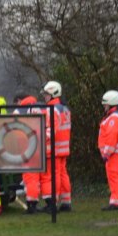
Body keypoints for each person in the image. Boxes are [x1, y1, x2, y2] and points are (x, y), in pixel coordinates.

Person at [40, 80, 73, 212]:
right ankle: (66, 202)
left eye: (47, 95)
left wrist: (39, 138)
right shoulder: (65, 109)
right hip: (64, 148)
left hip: (53, 149)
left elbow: (50, 131)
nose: (45, 97)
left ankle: (52, 203)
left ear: (53, 94)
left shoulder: (51, 110)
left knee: (53, 176)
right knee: (63, 174)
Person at [13, 93, 42, 214]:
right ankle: (34, 202)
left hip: (25, 147)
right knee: (36, 176)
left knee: (29, 177)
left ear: (19, 101)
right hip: (39, 147)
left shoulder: (18, 111)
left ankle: (31, 205)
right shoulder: (39, 108)